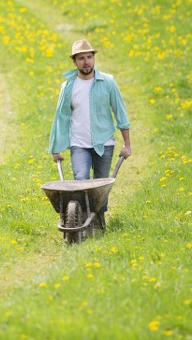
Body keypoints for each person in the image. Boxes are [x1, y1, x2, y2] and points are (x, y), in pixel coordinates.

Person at [48, 39, 131, 227]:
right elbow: (60, 119)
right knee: (80, 181)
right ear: (74, 62)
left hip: (105, 143)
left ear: (94, 59)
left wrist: (127, 144)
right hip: (79, 144)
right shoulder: (68, 87)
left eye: (89, 57)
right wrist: (56, 149)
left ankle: (99, 221)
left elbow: (121, 113)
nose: (86, 62)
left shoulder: (107, 82)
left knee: (101, 187)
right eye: (81, 58)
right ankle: (80, 221)